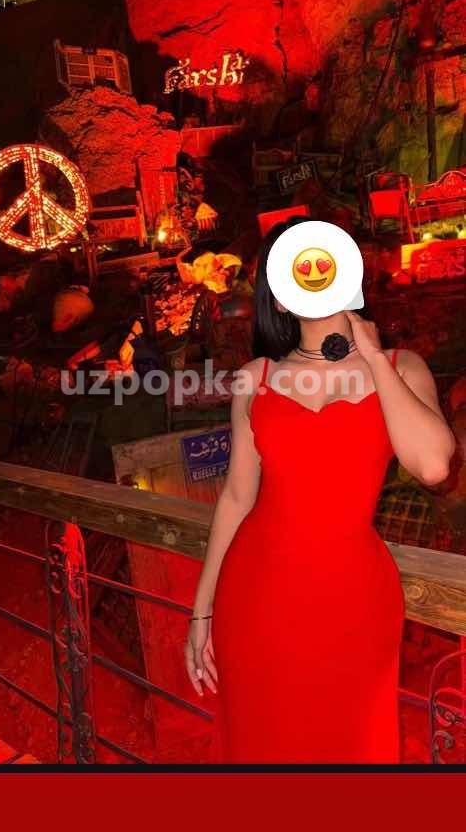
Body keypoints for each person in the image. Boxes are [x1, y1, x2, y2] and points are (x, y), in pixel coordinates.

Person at [184, 219, 456, 764]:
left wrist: (372, 356)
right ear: (279, 298)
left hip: (353, 600)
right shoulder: (255, 378)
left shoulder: (400, 368)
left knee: (350, 745)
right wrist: (201, 612)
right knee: (264, 744)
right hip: (256, 596)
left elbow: (432, 467)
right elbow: (237, 499)